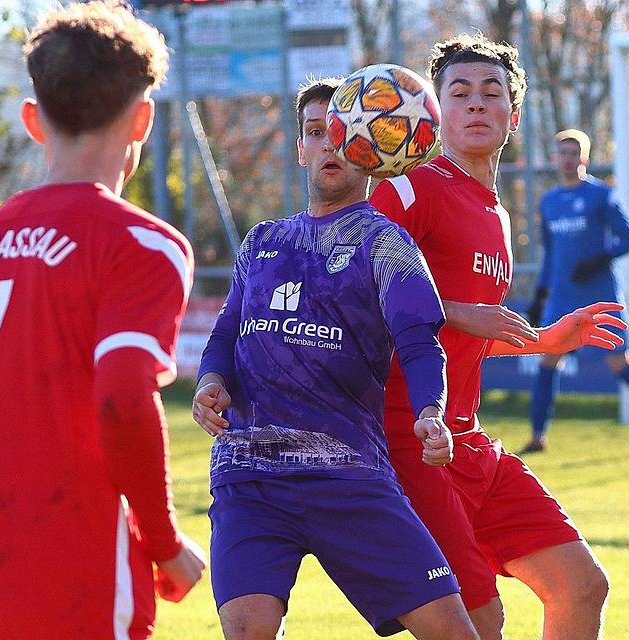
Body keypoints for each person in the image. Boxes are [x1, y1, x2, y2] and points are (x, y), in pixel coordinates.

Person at [0, 2, 206, 638]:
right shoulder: (141, 245)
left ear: (33, 120)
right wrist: (164, 539)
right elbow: (121, 395)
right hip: (69, 565)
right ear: (143, 118)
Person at [191, 78, 479, 640]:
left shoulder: (388, 245)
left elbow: (420, 341)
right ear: (300, 147)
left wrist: (430, 410)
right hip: (250, 479)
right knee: (247, 631)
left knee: (454, 633)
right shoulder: (261, 243)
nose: (328, 144)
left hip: (348, 479)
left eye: (341, 133)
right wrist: (210, 382)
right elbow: (226, 334)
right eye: (315, 133)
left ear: (368, 147)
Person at [369, 34, 627, 640]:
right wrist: (457, 312)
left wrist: (544, 341)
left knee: (581, 585)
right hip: (410, 441)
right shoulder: (408, 188)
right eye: (459, 93)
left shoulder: (497, 213)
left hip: (470, 441)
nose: (476, 104)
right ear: (435, 112)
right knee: (480, 624)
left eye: (492, 94)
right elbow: (355, 294)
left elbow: (471, 335)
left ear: (514, 115)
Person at [523, 128, 629, 454]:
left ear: (584, 158)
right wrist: (541, 296)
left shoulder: (601, 195)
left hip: (599, 295)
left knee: (620, 364)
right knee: (548, 361)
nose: (567, 160)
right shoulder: (550, 201)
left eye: (574, 154)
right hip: (563, 297)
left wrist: (598, 260)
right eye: (562, 154)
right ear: (556, 158)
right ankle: (538, 436)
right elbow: (551, 254)